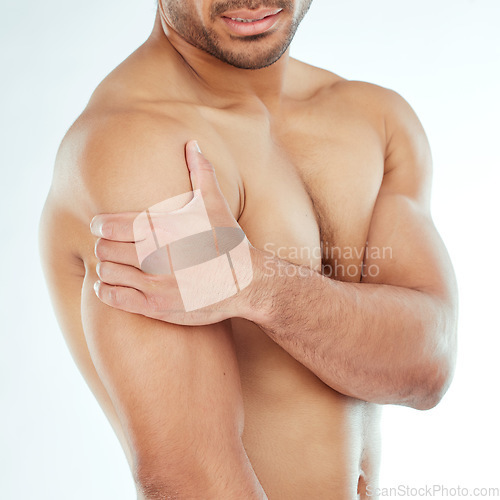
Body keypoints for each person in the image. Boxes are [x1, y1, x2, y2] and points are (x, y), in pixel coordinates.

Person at [39, 1, 458, 498]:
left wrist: (261, 286)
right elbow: (189, 477)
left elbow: (427, 364)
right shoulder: (141, 145)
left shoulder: (375, 118)